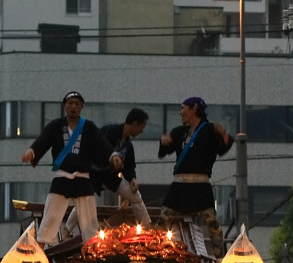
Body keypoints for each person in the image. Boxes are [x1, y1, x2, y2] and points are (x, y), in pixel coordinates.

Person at [21, 90, 122, 245]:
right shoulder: (55, 126)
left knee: (90, 222)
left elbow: (101, 145)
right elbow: (43, 140)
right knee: (51, 218)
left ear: (82, 107)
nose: (73, 107)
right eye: (70, 103)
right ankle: (39, 251)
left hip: (82, 178)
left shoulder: (89, 127)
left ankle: (94, 251)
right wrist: (32, 151)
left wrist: (112, 155)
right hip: (62, 177)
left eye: (77, 104)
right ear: (64, 106)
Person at [156, 96, 232, 252]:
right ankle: (154, 251)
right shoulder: (179, 132)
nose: (180, 112)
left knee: (212, 224)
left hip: (200, 185)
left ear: (194, 109)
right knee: (163, 221)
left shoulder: (210, 130)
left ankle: (219, 257)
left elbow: (223, 149)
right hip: (179, 185)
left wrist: (224, 135)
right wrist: (164, 142)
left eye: (183, 108)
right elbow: (164, 152)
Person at [92, 107, 152, 222]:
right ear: (135, 124)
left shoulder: (128, 144)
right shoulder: (110, 131)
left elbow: (129, 165)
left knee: (135, 195)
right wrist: (112, 158)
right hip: (93, 174)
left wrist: (132, 179)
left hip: (110, 177)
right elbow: (101, 149)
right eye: (142, 127)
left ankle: (147, 226)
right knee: (85, 203)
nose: (142, 131)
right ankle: (68, 229)